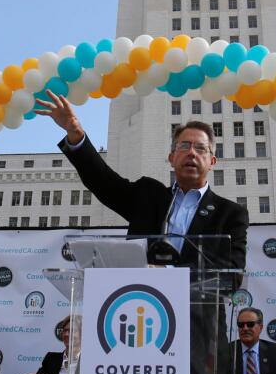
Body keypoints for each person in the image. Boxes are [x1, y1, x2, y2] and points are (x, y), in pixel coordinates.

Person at [36, 90, 248, 272]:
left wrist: (167, 272)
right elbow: (102, 182)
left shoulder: (230, 214)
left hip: (199, 316)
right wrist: (76, 134)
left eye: (200, 148)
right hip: (143, 307)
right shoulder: (148, 196)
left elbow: (233, 272)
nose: (191, 153)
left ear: (212, 161)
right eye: (184, 146)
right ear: (171, 158)